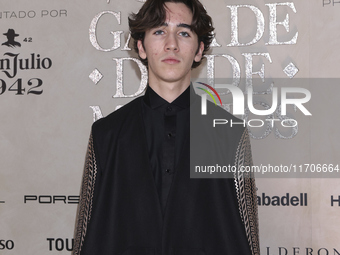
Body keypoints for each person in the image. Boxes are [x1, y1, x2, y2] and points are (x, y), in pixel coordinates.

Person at [73, 0, 260, 254]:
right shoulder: (106, 134)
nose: (171, 44)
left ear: (198, 50)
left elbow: (248, 238)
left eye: (184, 33)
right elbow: (85, 236)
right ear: (141, 47)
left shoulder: (230, 134)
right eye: (159, 31)